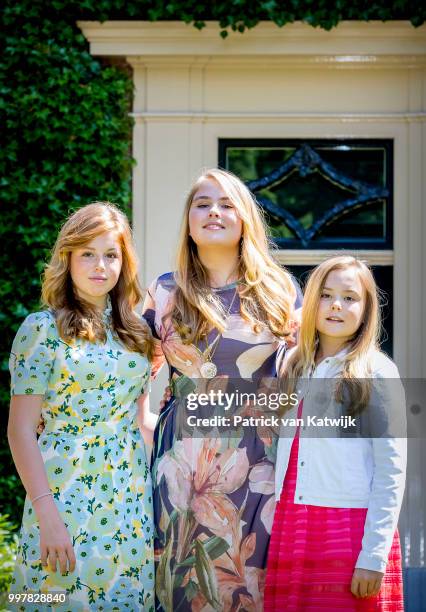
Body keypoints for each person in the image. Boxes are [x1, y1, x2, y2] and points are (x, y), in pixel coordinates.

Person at [142, 168, 302, 611]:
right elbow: (135, 369)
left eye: (227, 204)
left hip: (256, 466)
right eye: (202, 204)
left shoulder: (278, 288)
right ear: (189, 221)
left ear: (245, 218)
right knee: (180, 589)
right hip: (180, 469)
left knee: (247, 586)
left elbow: (307, 370)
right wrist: (143, 422)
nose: (214, 212)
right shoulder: (166, 290)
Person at [8, 202, 155, 611]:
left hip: (129, 501)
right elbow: (19, 431)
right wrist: (46, 517)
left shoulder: (137, 333)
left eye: (111, 254)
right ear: (68, 257)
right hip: (63, 495)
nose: (100, 265)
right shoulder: (41, 329)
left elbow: (142, 421)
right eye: (87, 253)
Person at [265, 255, 406, 611]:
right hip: (294, 522)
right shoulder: (294, 365)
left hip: (349, 527)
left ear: (367, 309)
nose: (336, 306)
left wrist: (372, 555)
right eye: (326, 295)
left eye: (350, 297)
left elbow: (392, 472)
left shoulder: (377, 372)